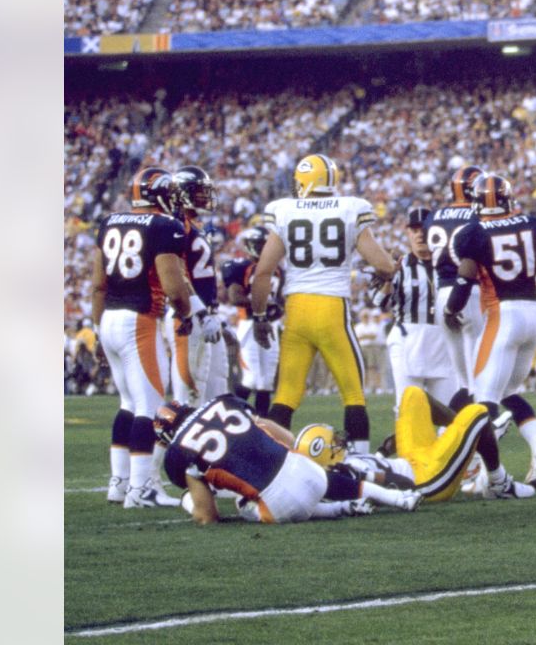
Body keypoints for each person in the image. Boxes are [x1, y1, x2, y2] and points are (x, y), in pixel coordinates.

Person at [250, 154, 403, 454]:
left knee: (286, 395)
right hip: (331, 309)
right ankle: (360, 463)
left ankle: (268, 462)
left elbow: (262, 273)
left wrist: (259, 317)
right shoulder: (349, 208)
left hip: (296, 311)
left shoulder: (285, 211)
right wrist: (388, 269)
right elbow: (383, 265)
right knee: (353, 394)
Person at [92, 168, 214, 508]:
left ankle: (119, 484)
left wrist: (97, 329)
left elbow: (97, 284)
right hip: (139, 320)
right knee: (149, 407)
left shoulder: (108, 222)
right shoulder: (164, 226)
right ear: (159, 193)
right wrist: (187, 314)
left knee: (127, 404)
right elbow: (174, 286)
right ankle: (141, 488)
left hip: (110, 318)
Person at [447, 174, 536, 490]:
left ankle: (488, 474)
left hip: (502, 315)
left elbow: (464, 279)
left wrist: (450, 310)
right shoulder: (533, 225)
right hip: (534, 314)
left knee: (482, 400)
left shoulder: (473, 232)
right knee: (508, 393)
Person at [155, 395, 422, 524]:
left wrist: (189, 501)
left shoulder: (179, 452)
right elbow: (267, 426)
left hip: (280, 505)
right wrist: (295, 449)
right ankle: (397, 498)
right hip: (306, 469)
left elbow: (207, 517)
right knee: (327, 480)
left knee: (240, 502)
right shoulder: (223, 402)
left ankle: (338, 510)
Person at [294, 386, 490, 502]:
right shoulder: (351, 471)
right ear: (326, 453)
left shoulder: (349, 464)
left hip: (413, 461)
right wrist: (370, 475)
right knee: (477, 412)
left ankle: (457, 433)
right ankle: (498, 480)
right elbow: (407, 485)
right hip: (427, 480)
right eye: (334, 441)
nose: (339, 439)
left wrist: (381, 453)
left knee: (413, 394)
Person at [371, 207, 457, 407]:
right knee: (408, 404)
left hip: (443, 338)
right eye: (415, 229)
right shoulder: (398, 265)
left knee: (449, 408)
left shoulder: (449, 263)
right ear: (408, 232)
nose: (420, 234)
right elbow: (379, 303)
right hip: (408, 336)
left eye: (424, 229)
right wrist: (388, 280)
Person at [166, 165, 230, 405]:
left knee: (218, 394)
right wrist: (201, 314)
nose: (204, 196)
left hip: (208, 315)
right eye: (198, 191)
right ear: (181, 192)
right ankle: (174, 444)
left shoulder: (197, 224)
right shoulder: (175, 223)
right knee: (189, 398)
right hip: (189, 315)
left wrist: (214, 315)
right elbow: (179, 273)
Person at [424, 166, 485, 406]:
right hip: (471, 291)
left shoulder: (433, 216)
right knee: (478, 373)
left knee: (461, 377)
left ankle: (454, 426)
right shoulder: (478, 216)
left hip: (442, 292)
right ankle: (481, 424)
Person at [221, 225, 283, 416]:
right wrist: (264, 304)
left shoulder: (278, 270)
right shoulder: (240, 266)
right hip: (249, 325)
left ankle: (262, 425)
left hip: (271, 325)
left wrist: (276, 306)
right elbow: (235, 297)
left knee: (266, 381)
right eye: (259, 244)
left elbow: (280, 301)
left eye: (266, 244)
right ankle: (232, 418)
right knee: (251, 378)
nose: (264, 248)